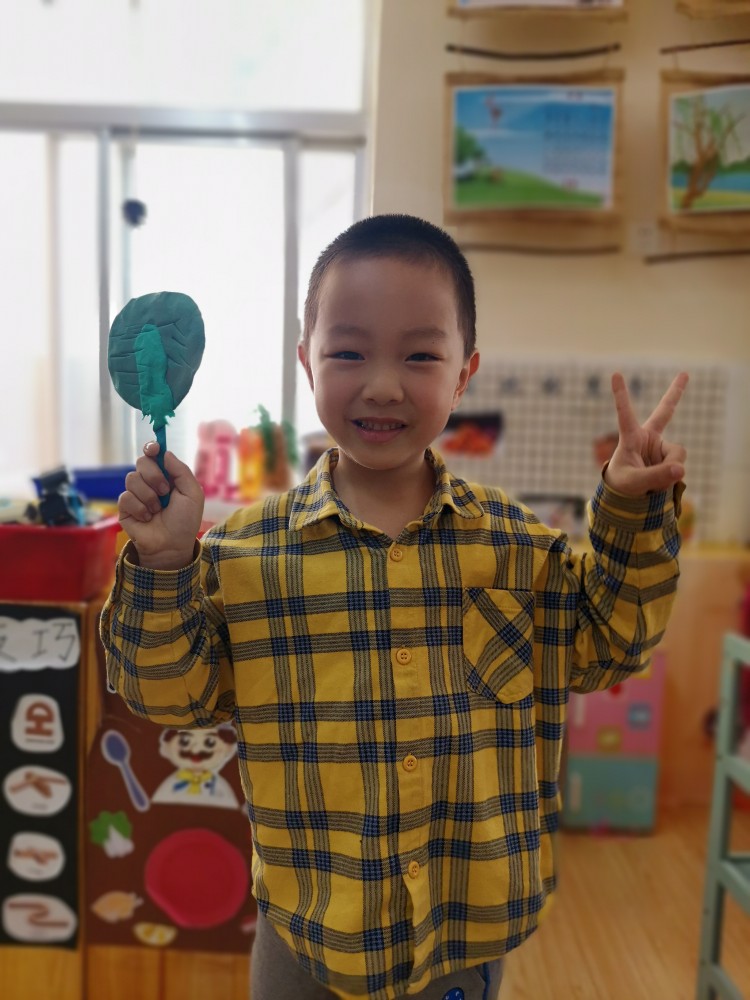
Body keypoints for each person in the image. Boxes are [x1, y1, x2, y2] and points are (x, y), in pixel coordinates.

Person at [101, 214, 688, 1000]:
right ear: (307, 361)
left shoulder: (515, 546)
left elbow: (612, 642)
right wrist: (165, 564)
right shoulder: (243, 557)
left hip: (460, 937)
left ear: (464, 373)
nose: (383, 384)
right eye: (349, 352)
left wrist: (631, 510)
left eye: (419, 355)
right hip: (308, 939)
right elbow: (167, 695)